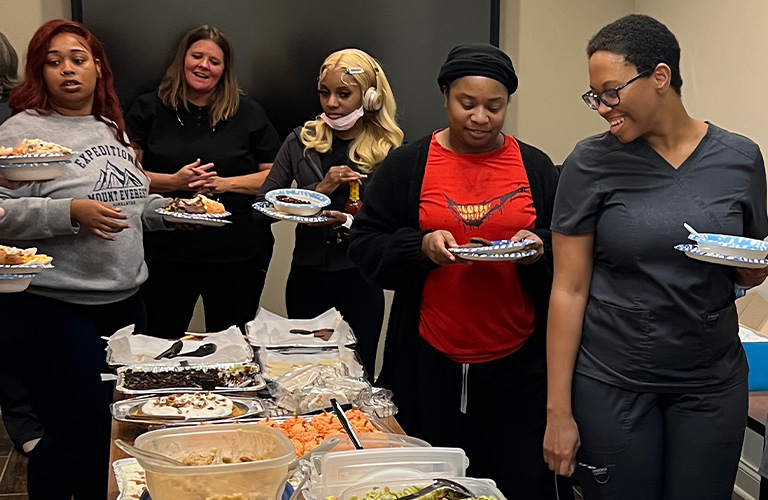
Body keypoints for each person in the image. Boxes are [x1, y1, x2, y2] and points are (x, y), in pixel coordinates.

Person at [543, 15, 768, 500]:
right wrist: (557, 411)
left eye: (610, 92)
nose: (602, 107)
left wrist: (753, 270)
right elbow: (569, 288)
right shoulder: (590, 163)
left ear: (660, 77)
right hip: (613, 383)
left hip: (710, 384)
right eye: (594, 96)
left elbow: (751, 261)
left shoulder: (740, 158)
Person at [349, 44, 568, 499]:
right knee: (434, 485)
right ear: (446, 96)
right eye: (467, 104)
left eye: (495, 106)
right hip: (429, 360)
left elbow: (570, 249)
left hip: (519, 364)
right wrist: (420, 247)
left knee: (520, 483)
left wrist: (539, 248)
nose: (480, 117)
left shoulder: (536, 167)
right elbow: (366, 246)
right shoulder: (408, 165)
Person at [0, 19, 170, 499]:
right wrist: (67, 213)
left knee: (110, 427)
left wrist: (166, 215)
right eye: (53, 62)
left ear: (98, 67)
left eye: (78, 59)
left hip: (123, 303)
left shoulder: (109, 126)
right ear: (39, 72)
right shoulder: (21, 131)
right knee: (76, 425)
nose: (68, 71)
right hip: (52, 307)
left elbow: (126, 206)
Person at [255, 48, 403, 376]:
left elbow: (398, 225)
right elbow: (261, 207)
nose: (331, 103)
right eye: (325, 93)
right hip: (306, 278)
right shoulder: (300, 141)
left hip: (359, 279)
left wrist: (350, 220)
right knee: (303, 373)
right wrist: (319, 191)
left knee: (357, 374)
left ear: (370, 98)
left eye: (343, 94)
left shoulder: (390, 151)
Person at [126, 25, 281, 339]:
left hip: (236, 254)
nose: (204, 66)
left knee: (231, 345)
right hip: (164, 255)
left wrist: (222, 185)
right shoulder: (148, 108)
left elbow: (274, 176)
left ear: (224, 70)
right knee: (157, 343)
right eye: (197, 56)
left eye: (214, 61)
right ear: (182, 59)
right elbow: (124, 175)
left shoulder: (248, 112)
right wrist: (174, 181)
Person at [0, 28, 45, 460]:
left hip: (16, 246)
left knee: (11, 336)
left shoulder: (18, 115)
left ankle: (28, 420)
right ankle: (25, 421)